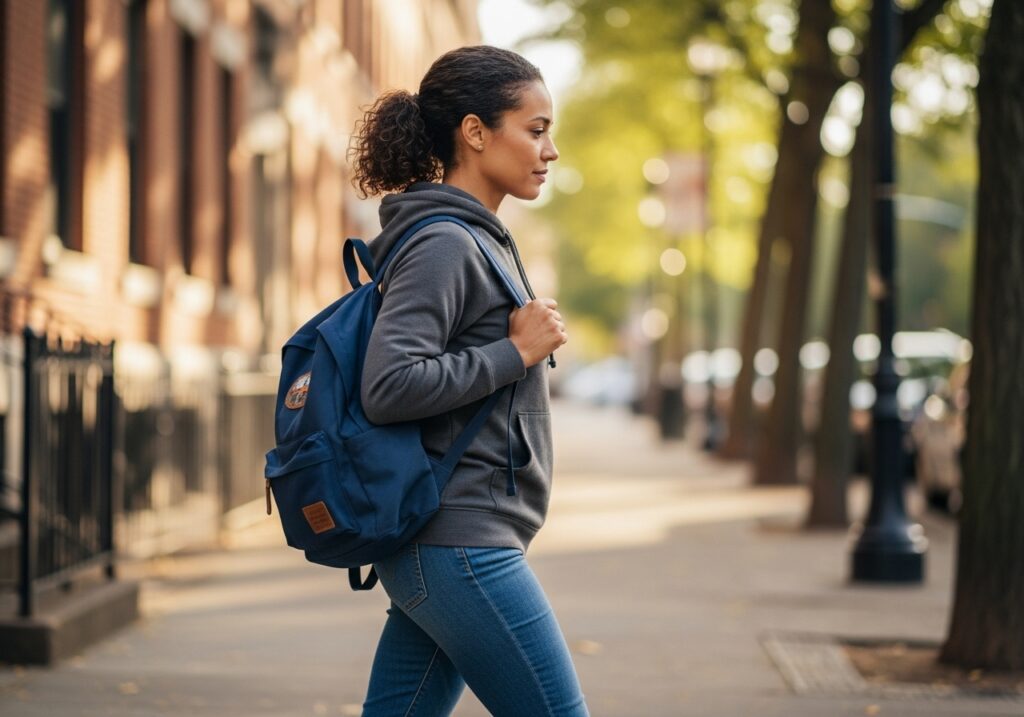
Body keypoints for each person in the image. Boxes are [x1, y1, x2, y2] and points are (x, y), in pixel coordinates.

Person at [350, 45, 589, 716]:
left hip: (451, 542)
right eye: (535, 129)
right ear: (476, 132)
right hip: (459, 544)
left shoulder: (475, 238)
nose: (550, 150)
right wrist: (514, 351)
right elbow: (390, 384)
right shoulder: (444, 242)